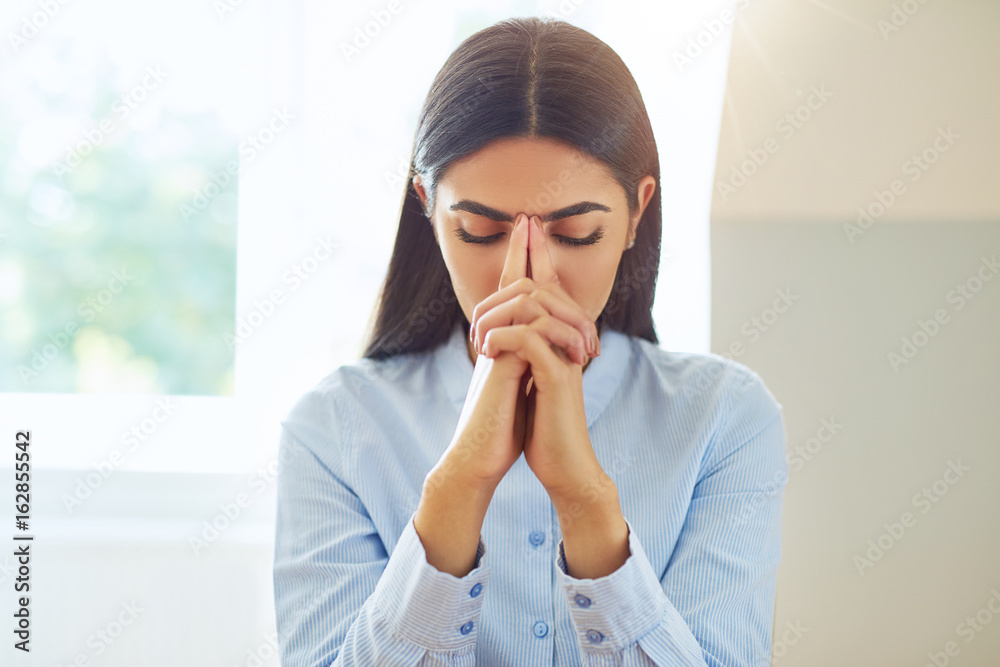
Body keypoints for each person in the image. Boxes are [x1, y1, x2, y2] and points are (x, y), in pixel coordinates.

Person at [273, 15, 787, 667]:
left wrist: (583, 495)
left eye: (575, 233)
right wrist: (459, 482)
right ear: (428, 209)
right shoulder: (334, 427)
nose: (527, 276)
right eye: (482, 231)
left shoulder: (725, 417)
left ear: (635, 212)